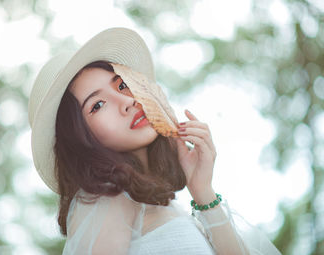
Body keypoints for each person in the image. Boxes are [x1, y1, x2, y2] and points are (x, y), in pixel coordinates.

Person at [28, 27, 281, 255]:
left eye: (122, 85)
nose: (127, 102)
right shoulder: (107, 199)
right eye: (98, 104)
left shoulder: (160, 204)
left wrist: (202, 190)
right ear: (80, 137)